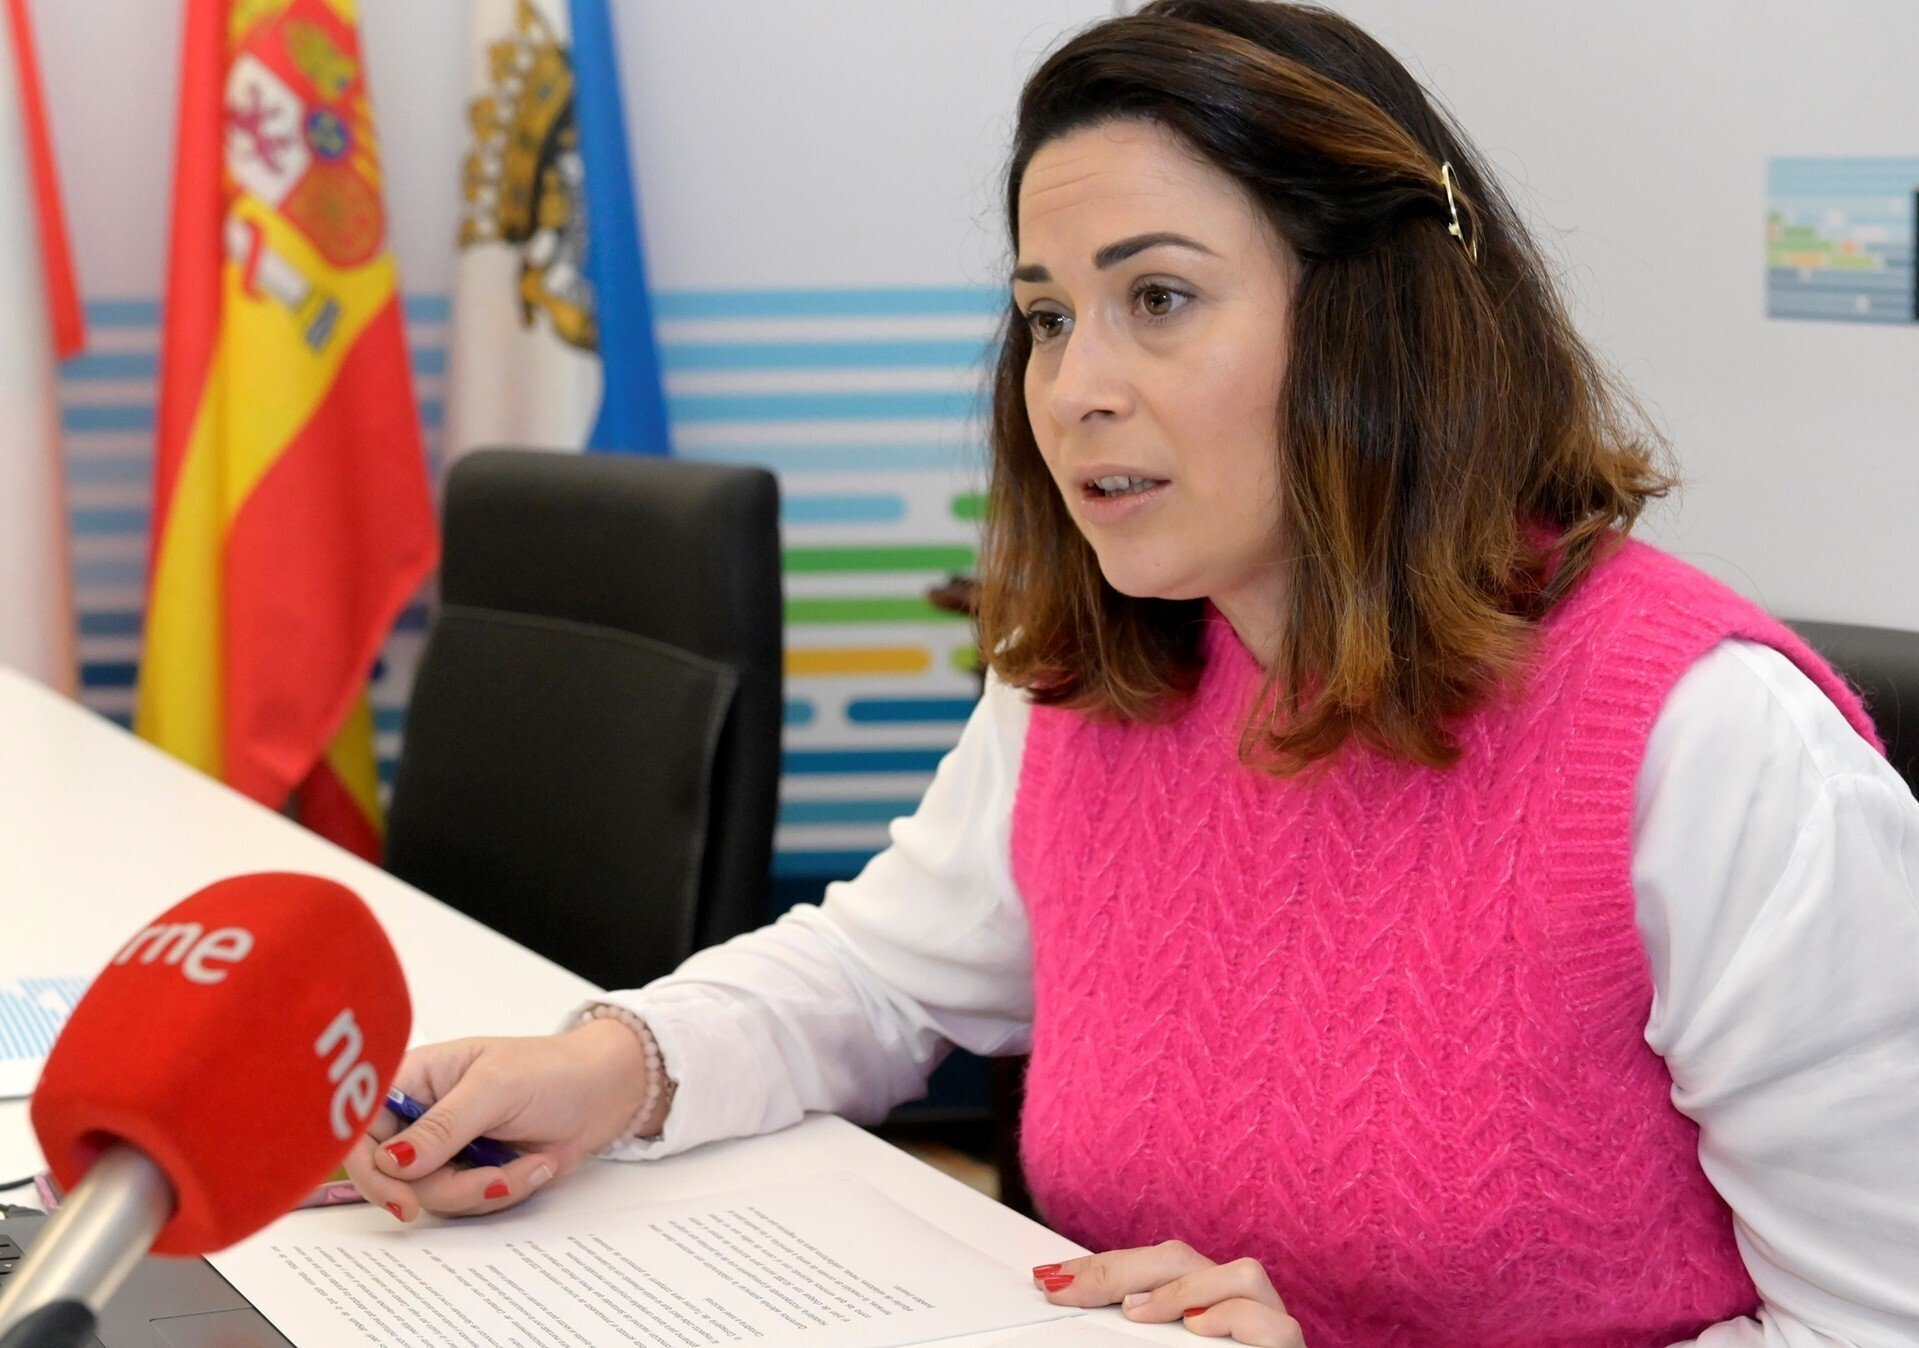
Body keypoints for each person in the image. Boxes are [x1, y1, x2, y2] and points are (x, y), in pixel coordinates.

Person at [345, 3, 1919, 1344]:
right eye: (1046, 317)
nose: (1072, 388)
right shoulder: (1086, 678)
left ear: (1374, 322)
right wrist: (609, 1067)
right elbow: (882, 979)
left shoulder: (1715, 744)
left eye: (1157, 300)